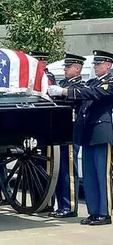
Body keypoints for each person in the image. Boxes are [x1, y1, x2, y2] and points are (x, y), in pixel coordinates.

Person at [48, 49, 113, 226]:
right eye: (95, 64)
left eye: (99, 64)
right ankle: (93, 212)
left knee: (102, 174)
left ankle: (104, 213)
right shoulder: (92, 82)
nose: (96, 67)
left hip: (101, 131)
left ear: (108, 65)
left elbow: (93, 94)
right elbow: (85, 93)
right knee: (90, 175)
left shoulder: (109, 83)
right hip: (87, 132)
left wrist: (64, 92)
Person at [48, 53, 85, 218]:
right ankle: (59, 205)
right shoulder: (62, 83)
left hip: (71, 131)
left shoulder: (80, 85)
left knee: (68, 170)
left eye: (68, 67)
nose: (65, 69)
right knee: (59, 170)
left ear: (77, 69)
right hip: (59, 131)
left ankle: (69, 206)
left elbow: (79, 95)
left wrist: (63, 92)